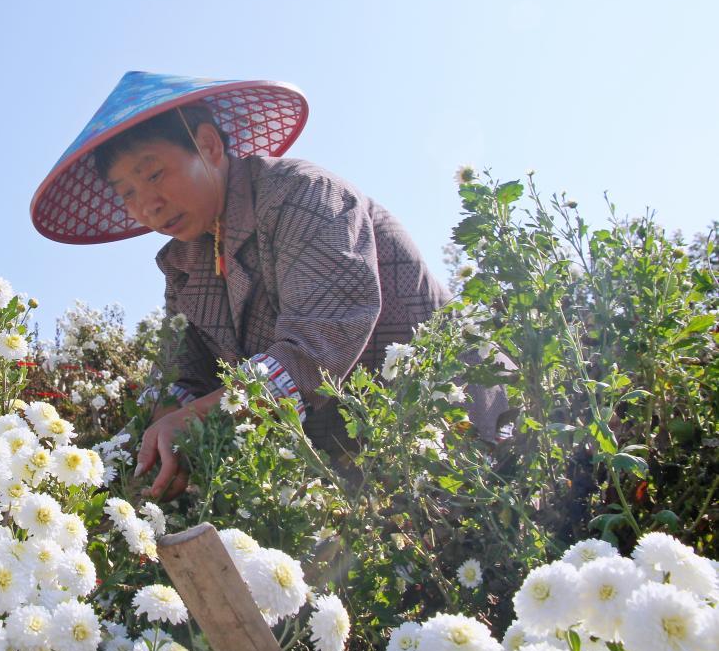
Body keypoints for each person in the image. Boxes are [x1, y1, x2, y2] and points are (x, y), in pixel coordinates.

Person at [30, 71, 507, 501]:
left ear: (209, 146)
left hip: (469, 430)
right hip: (367, 474)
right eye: (127, 193)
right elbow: (181, 376)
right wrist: (156, 443)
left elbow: (315, 350)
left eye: (154, 174)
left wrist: (194, 421)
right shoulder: (185, 263)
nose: (147, 205)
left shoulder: (303, 197)